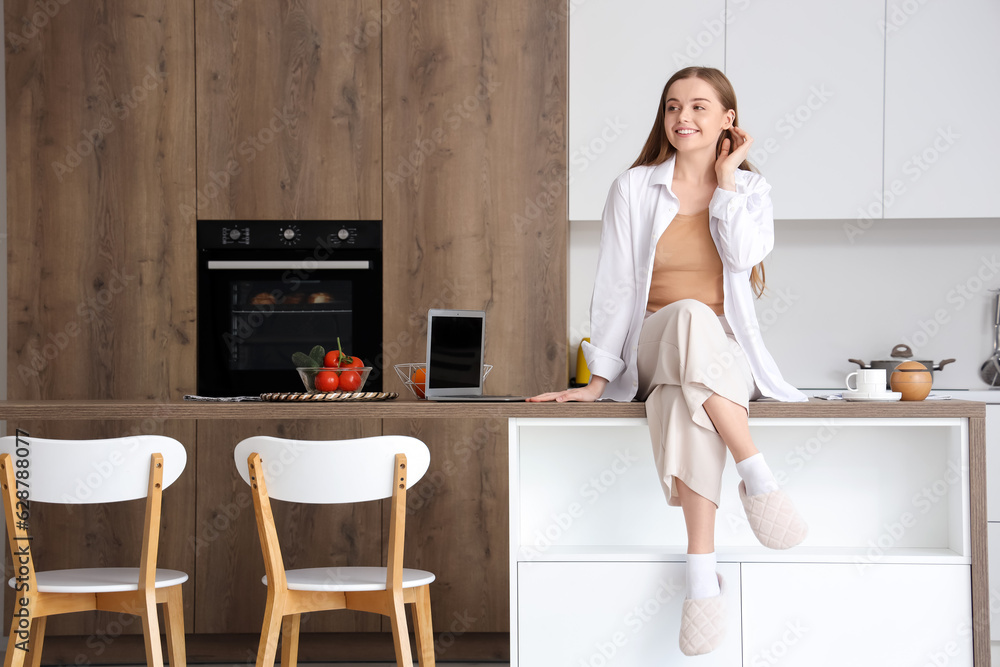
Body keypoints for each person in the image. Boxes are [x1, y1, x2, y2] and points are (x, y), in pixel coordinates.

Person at [529, 66, 809, 656]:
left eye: (701, 107)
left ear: (728, 120)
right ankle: (755, 472)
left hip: (718, 358)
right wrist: (596, 380)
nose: (684, 118)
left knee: (685, 400)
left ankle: (700, 574)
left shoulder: (752, 192)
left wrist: (728, 181)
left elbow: (743, 255)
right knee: (684, 315)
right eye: (674, 107)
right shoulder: (633, 187)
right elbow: (612, 287)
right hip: (655, 344)